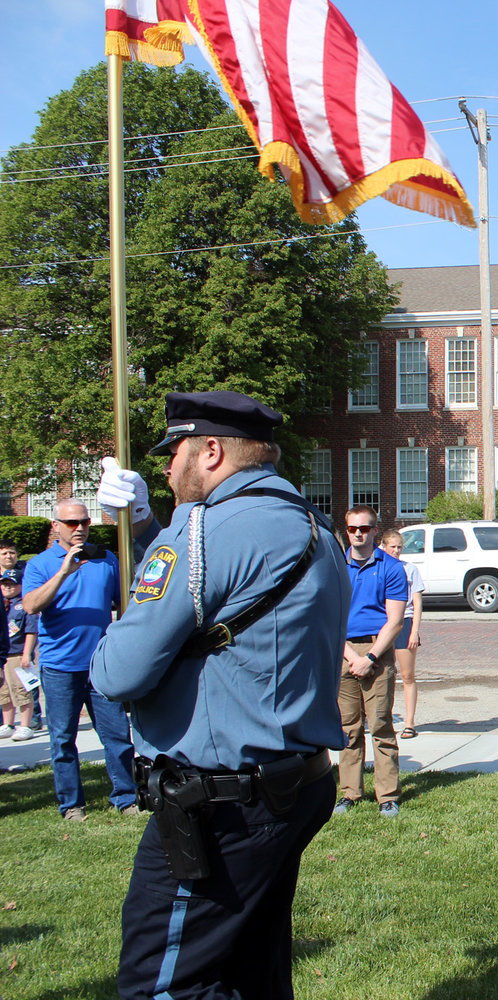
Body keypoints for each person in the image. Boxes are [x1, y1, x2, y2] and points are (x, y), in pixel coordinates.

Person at [89, 390, 351, 1000]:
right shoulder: (316, 528)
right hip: (293, 782)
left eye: (173, 450)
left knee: (165, 983)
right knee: (251, 972)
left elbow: (116, 672)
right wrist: (152, 529)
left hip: (219, 804)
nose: (165, 466)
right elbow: (228, 602)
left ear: (209, 451)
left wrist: (157, 539)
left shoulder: (202, 531)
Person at [23, 499, 137, 819]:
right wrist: (64, 571)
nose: (79, 528)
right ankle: (72, 804)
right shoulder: (40, 565)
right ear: (55, 526)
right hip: (60, 666)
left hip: (100, 665)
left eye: (84, 522)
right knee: (62, 740)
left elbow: (124, 602)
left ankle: (126, 798)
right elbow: (31, 606)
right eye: (71, 523)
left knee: (116, 735)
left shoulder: (106, 560)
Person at [335, 505, 407, 817]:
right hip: (344, 652)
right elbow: (328, 618)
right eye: (353, 529)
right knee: (348, 728)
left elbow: (395, 621)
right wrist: (351, 656)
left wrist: (371, 657)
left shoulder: (391, 567)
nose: (358, 534)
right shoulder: (336, 568)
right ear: (347, 530)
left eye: (364, 528)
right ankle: (349, 793)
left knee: (380, 725)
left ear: (375, 530)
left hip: (378, 651)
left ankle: (387, 795)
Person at [379, 529, 426, 740]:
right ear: (383, 546)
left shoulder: (410, 570)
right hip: (382, 624)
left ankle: (409, 722)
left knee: (407, 675)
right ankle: (382, 719)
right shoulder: (377, 568)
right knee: (383, 675)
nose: (397, 551)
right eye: (392, 547)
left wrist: (415, 630)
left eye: (399, 547)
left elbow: (417, 603)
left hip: (405, 623)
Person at [0, 572, 38, 741]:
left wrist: (26, 654)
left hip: (17, 653)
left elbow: (31, 631)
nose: (8, 587)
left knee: (22, 690)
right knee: (4, 693)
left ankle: (25, 725)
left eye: (12, 584)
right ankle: (8, 724)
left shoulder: (24, 605)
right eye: (5, 584)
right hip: (3, 655)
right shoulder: (2, 604)